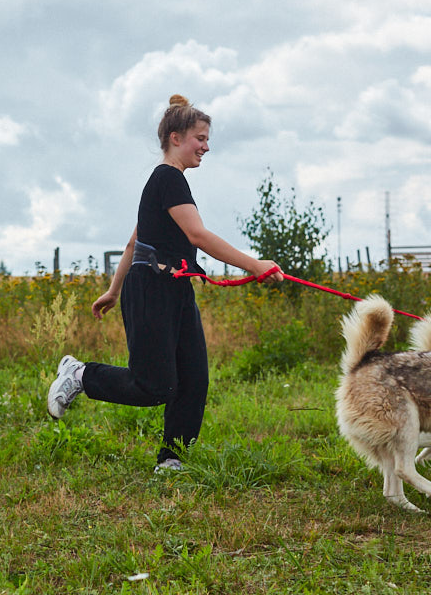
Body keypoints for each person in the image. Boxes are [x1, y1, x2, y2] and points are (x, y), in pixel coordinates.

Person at [47, 95, 283, 471]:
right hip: (152, 290)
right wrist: (254, 265)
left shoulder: (166, 184)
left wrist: (112, 290)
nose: (206, 146)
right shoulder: (167, 178)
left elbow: (134, 241)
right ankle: (80, 374)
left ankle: (171, 459)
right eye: (200, 138)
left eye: (207, 139)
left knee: (193, 380)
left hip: (173, 287)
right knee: (154, 385)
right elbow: (198, 236)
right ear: (176, 137)